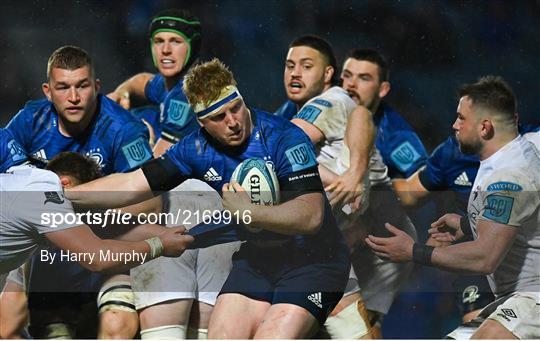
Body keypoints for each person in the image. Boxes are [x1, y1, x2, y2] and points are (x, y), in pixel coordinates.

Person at [67, 58, 351, 338]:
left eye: (236, 108)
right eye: (219, 117)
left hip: (315, 262)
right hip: (259, 260)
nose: (233, 122)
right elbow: (130, 184)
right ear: (202, 122)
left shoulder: (284, 137)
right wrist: (60, 195)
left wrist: (249, 212)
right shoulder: (195, 149)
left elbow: (311, 216)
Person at [366, 76, 540, 339]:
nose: (454, 125)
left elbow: (485, 257)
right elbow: (518, 222)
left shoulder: (509, 177)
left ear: (484, 128)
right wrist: (465, 224)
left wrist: (413, 251)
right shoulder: (501, 158)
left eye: (461, 118)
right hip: (512, 297)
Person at [4, 45, 154, 339]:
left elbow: (151, 205)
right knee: (16, 322)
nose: (73, 97)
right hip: (44, 253)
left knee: (116, 322)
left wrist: (72, 214)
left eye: (82, 86)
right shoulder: (28, 122)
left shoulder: (123, 129)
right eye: (63, 88)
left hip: (107, 243)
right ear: (48, 91)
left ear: (97, 87)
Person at [279, 35, 417, 338]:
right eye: (290, 66)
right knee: (350, 323)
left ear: (328, 74)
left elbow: (281, 148)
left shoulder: (331, 100)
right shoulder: (292, 112)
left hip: (369, 231)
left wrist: (355, 175)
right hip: (345, 233)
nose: (295, 73)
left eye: (306, 66)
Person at [108, 8, 201, 156]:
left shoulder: (187, 94)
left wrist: (145, 141)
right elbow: (143, 80)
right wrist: (122, 92)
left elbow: (156, 170)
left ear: (193, 47)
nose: (165, 50)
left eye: (175, 41)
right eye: (159, 41)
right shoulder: (170, 83)